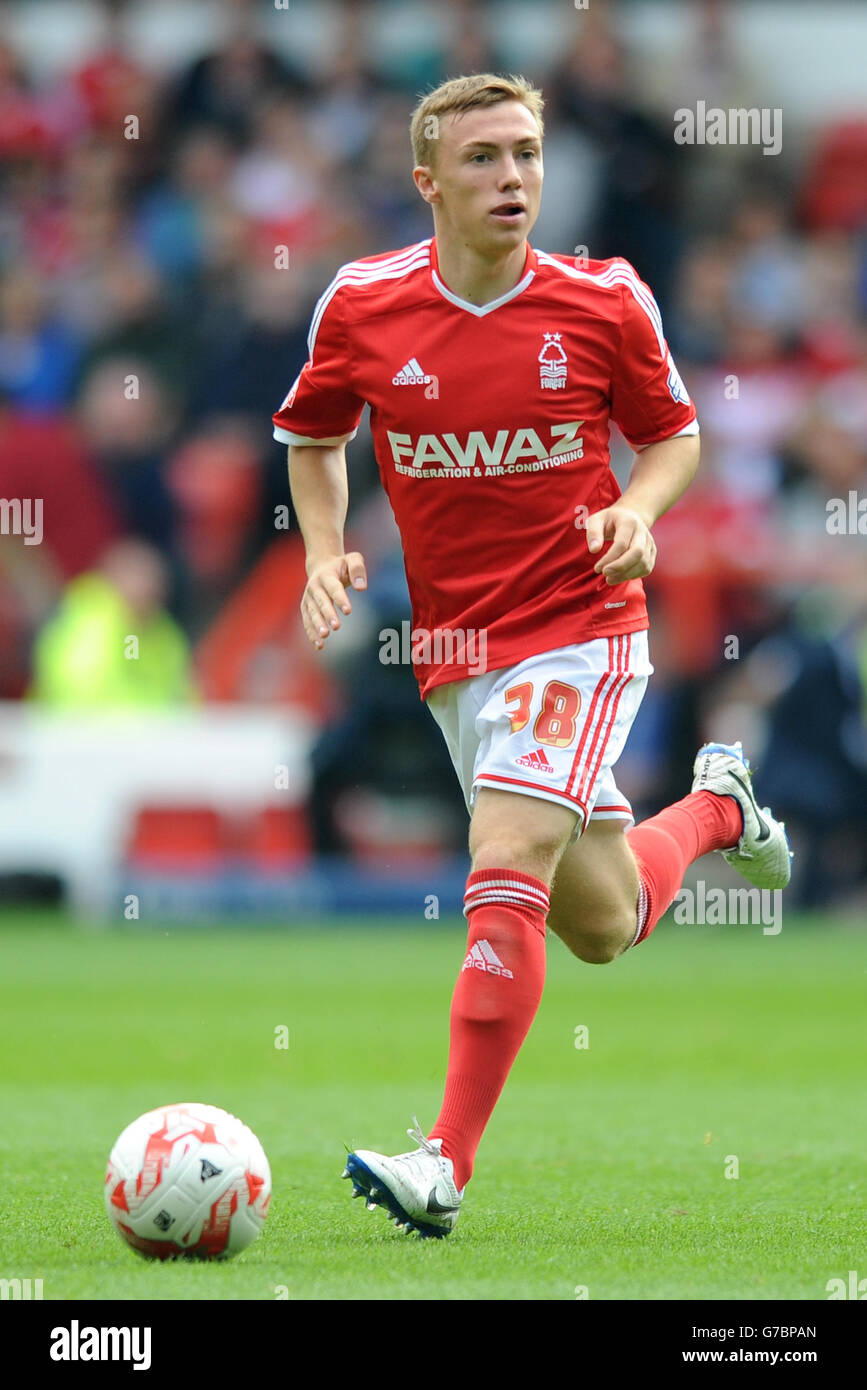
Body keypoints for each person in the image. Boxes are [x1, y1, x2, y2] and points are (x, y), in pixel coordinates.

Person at [272, 74, 792, 1238]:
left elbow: (673, 436)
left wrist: (640, 512)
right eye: (484, 160)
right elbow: (313, 439)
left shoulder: (605, 303)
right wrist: (319, 553)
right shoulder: (361, 305)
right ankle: (717, 807)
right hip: (459, 654)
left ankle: (441, 1164)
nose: (513, 179)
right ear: (429, 184)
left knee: (503, 853)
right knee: (601, 921)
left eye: (526, 156)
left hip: (581, 623)